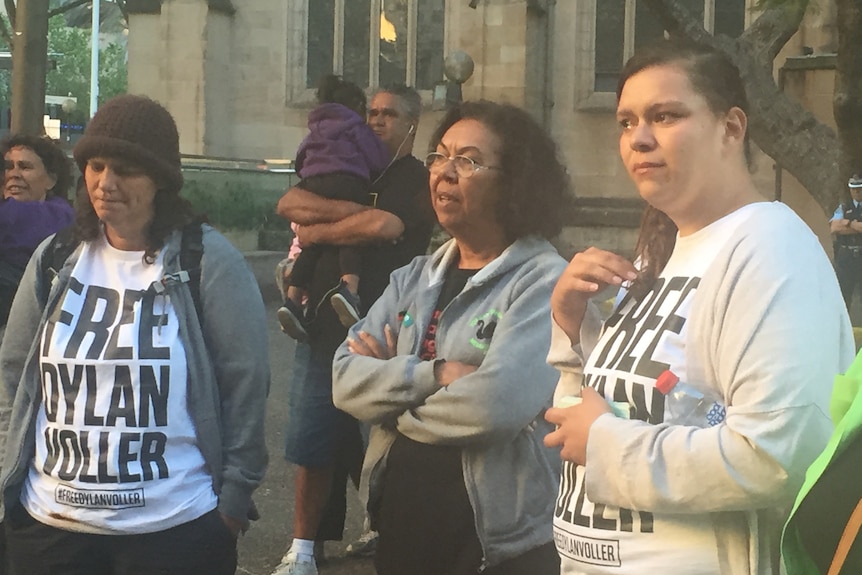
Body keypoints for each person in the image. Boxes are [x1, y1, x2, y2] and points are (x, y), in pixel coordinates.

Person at [543, 40, 853, 575]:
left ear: (732, 128)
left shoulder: (769, 248)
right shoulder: (658, 249)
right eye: (625, 121)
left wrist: (604, 444)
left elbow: (775, 456)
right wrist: (573, 328)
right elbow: (638, 404)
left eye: (665, 116)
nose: (638, 139)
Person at [0, 94, 270, 575]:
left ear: (161, 179)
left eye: (125, 169)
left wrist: (231, 501)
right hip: (50, 529)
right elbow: (14, 369)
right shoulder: (56, 257)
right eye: (96, 166)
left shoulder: (207, 261)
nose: (106, 183)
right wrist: (10, 480)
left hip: (174, 531)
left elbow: (246, 382)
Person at [332, 100, 569, 575]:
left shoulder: (543, 282)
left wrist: (391, 398)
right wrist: (438, 373)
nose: (445, 173)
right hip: (402, 523)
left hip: (496, 544)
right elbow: (343, 379)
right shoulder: (414, 277)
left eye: (469, 160)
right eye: (439, 157)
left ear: (514, 179)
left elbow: (492, 407)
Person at [271, 84, 435, 575]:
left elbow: (388, 227)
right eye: (372, 112)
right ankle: (304, 547)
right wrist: (356, 216)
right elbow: (288, 203)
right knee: (314, 437)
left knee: (390, 441)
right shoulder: (345, 164)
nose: (377, 120)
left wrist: (316, 230)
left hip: (389, 335)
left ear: (412, 125)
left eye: (389, 114)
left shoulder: (414, 178)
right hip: (323, 326)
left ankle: (387, 531)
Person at [277, 75, 391, 339]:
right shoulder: (353, 125)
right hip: (348, 180)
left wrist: (311, 174)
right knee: (349, 234)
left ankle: (293, 300)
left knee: (311, 245)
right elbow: (376, 156)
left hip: (314, 182)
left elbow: (301, 156)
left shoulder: (316, 127)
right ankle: (349, 289)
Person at [0, 134, 75, 332]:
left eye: (25, 167)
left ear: (51, 180)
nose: (13, 174)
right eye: (8, 167)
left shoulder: (57, 216)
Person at [830, 173, 862, 311]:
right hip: (846, 257)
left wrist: (846, 224)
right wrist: (853, 224)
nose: (856, 191)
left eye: (859, 188)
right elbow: (834, 228)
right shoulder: (843, 207)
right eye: (853, 189)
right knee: (844, 294)